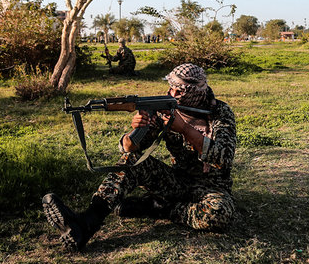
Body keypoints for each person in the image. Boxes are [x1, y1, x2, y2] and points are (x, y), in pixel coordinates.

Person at [42, 63, 238, 251]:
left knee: (218, 214)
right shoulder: (166, 110)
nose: (173, 95)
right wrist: (136, 130)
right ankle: (86, 223)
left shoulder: (220, 112)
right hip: (177, 181)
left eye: (180, 92)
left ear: (196, 93)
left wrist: (184, 129)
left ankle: (157, 207)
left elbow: (224, 157)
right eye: (171, 89)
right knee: (133, 161)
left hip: (213, 187)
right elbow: (130, 149)